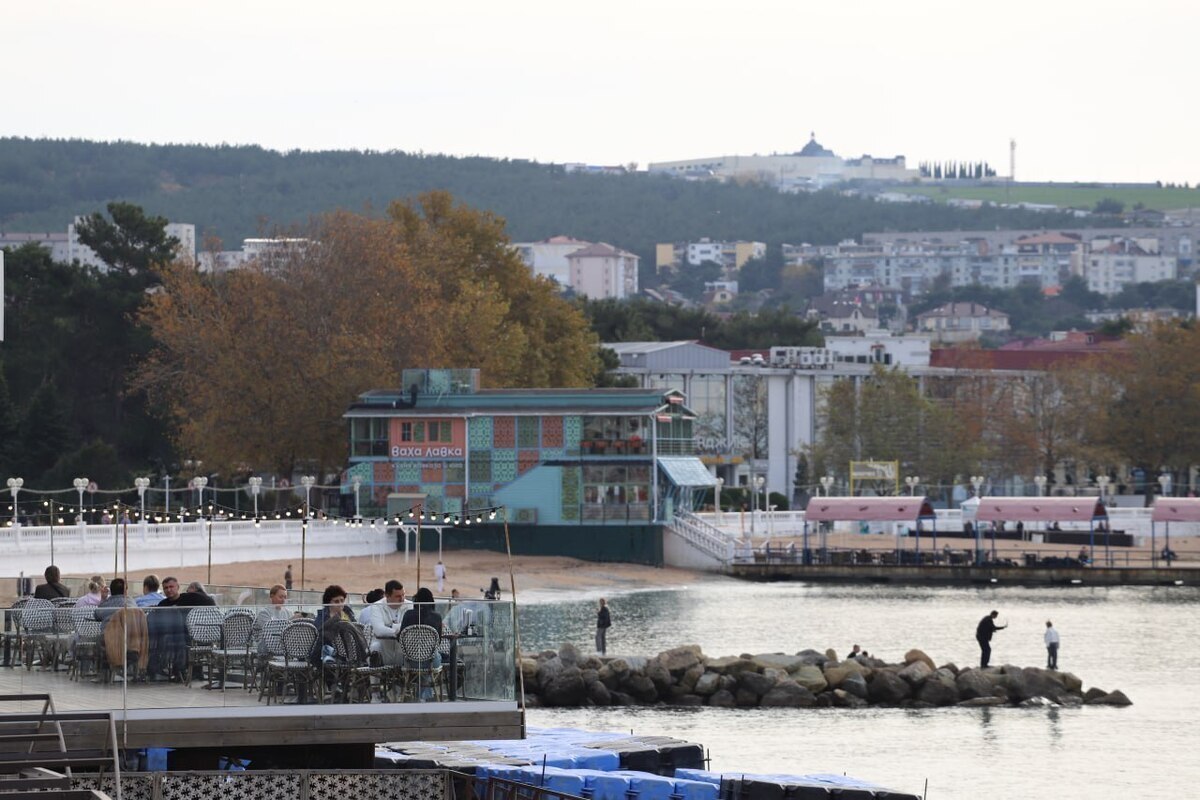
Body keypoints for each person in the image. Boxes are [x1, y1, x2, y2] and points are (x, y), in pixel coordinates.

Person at [363, 580, 410, 665]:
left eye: (403, 595)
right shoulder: (377, 606)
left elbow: (410, 627)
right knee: (375, 647)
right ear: (387, 595)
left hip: (403, 648)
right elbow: (379, 630)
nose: (402, 599)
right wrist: (397, 630)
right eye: (398, 596)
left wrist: (390, 627)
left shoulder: (410, 605)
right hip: (382, 649)